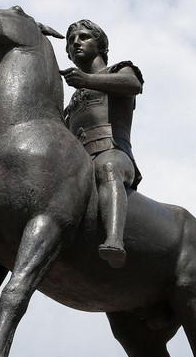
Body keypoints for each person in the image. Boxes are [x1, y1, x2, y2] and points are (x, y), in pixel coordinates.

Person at [60, 19, 144, 268]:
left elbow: (133, 86)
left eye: (84, 37)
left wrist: (85, 80)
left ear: (100, 46)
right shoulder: (72, 103)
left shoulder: (120, 70)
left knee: (107, 166)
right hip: (80, 164)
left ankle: (115, 240)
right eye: (71, 40)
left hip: (114, 153)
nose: (76, 42)